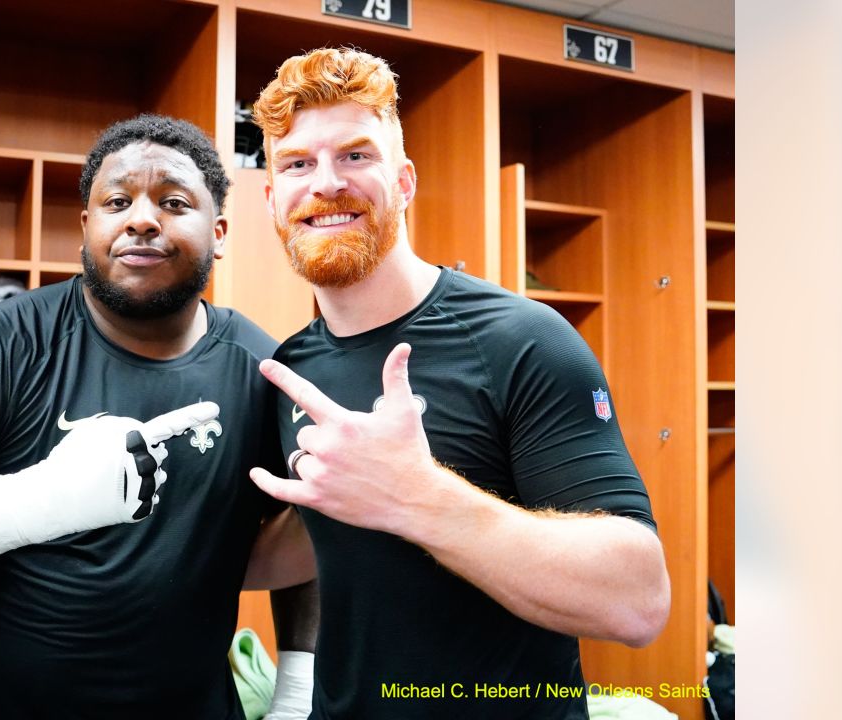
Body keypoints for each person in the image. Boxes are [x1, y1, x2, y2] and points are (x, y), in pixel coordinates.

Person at [0, 114, 314, 719]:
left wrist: (297, 689)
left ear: (221, 230)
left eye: (175, 202)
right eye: (118, 201)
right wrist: (42, 500)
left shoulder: (264, 369)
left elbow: (311, 521)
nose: (143, 219)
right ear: (86, 225)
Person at [246, 48, 672, 719]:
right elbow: (313, 536)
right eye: (297, 163)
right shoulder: (289, 368)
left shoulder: (523, 340)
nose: (325, 183)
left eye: (356, 155)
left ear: (406, 181)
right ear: (272, 197)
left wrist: (416, 496)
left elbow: (637, 599)